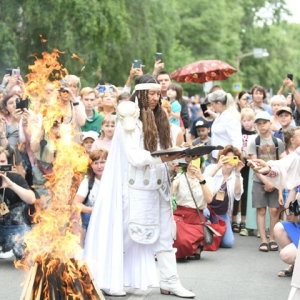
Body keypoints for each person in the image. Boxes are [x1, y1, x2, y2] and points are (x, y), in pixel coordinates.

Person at [84, 74, 195, 297]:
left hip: (160, 187)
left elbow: (166, 151)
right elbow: (134, 156)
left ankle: (170, 281)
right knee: (127, 234)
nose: (155, 97)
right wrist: (163, 158)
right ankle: (108, 277)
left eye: (158, 93)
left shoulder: (161, 118)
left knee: (165, 235)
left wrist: (182, 158)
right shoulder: (129, 117)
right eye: (151, 93)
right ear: (141, 94)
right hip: (135, 188)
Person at [247, 111, 285, 252]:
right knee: (261, 209)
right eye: (259, 124)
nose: (262, 126)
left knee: (274, 210)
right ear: (256, 126)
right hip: (259, 180)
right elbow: (254, 164)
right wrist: (266, 181)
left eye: (265, 123)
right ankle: (263, 240)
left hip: (275, 179)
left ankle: (273, 238)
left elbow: (282, 162)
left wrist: (274, 181)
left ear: (270, 124)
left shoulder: (277, 142)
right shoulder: (254, 142)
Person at [172, 158, 214, 260]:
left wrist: (201, 179)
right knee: (181, 242)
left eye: (196, 160)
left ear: (201, 164)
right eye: (190, 160)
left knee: (184, 243)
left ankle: (195, 245)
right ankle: (189, 248)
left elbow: (209, 200)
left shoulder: (207, 179)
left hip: (196, 216)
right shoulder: (180, 177)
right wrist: (172, 172)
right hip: (179, 215)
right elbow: (169, 194)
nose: (193, 163)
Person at [204, 145, 244, 248]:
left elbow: (237, 195)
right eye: (227, 158)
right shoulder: (212, 167)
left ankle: (211, 235)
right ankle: (206, 233)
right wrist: (218, 166)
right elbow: (203, 180)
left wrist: (238, 173)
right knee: (205, 213)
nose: (230, 161)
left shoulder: (236, 175)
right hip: (206, 208)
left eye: (233, 158)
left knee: (228, 243)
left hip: (221, 213)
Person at [0, 147, 36, 259]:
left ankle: (10, 247)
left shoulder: (15, 178)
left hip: (15, 226)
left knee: (23, 254)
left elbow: (31, 199)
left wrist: (11, 185)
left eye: (2, 162)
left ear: (7, 163)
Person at [72, 149, 108, 246]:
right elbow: (76, 203)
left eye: (102, 162)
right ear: (91, 165)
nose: (99, 166)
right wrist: (91, 210)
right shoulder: (88, 181)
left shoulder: (115, 181)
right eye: (96, 163)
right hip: (91, 225)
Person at [232, 108, 256, 236]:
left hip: (249, 165)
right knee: (235, 191)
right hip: (237, 163)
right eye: (244, 120)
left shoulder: (255, 134)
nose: (246, 123)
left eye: (249, 120)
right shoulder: (237, 133)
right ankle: (233, 218)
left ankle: (244, 220)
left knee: (246, 192)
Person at [208, 89, 242, 162]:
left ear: (219, 104)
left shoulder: (230, 118)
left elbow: (236, 141)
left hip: (227, 159)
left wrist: (234, 161)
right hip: (218, 157)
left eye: (212, 104)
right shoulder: (220, 115)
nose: (212, 107)